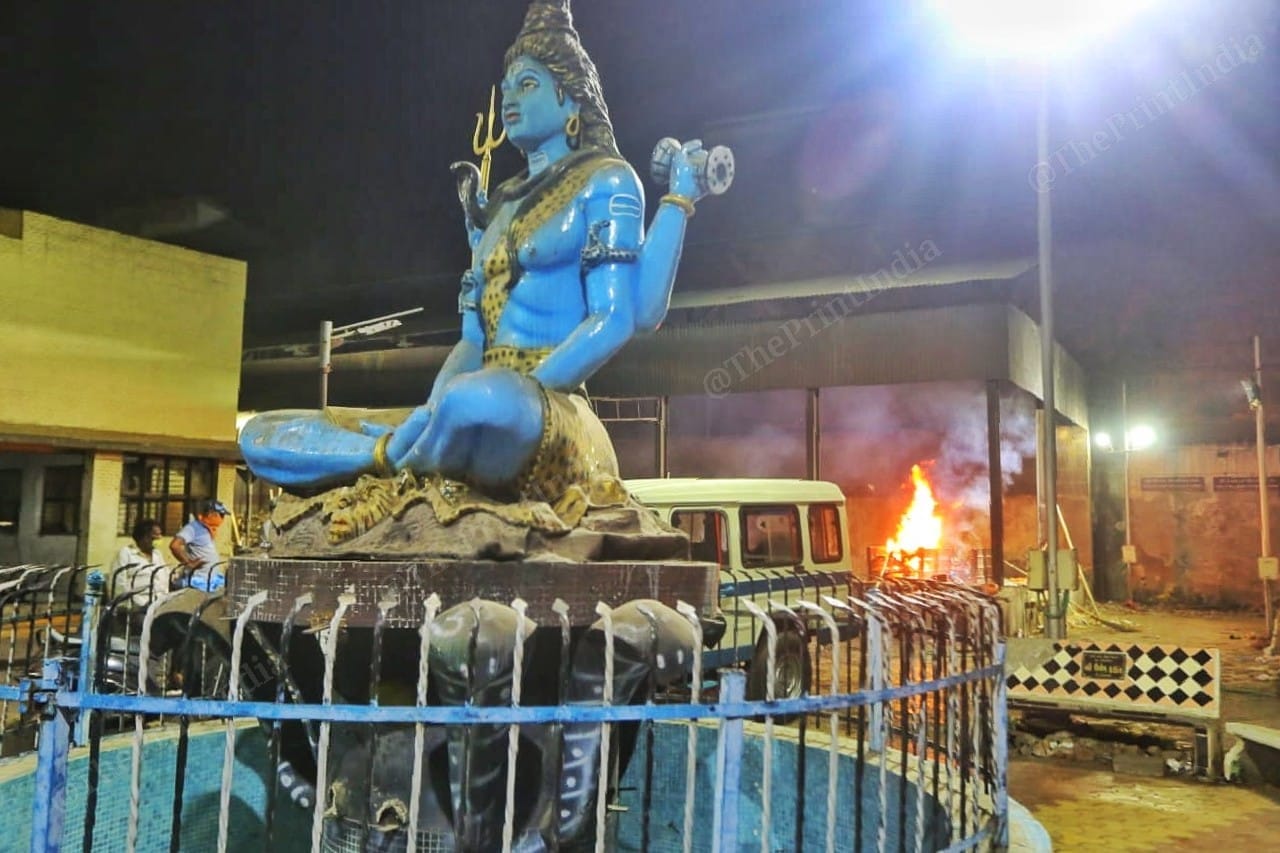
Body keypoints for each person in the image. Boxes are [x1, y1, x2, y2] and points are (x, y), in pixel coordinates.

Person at [238, 0, 723, 515]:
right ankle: (397, 457)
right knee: (265, 433)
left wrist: (678, 201)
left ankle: (392, 466)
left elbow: (622, 316)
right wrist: (431, 408)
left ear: (571, 101)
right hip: (468, 407)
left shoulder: (607, 180)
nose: (510, 99)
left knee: (484, 403)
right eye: (507, 87)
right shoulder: (501, 206)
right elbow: (473, 343)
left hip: (546, 410)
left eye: (529, 85)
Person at [109, 518, 170, 610]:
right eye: (154, 537)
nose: (158, 540)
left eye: (160, 536)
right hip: (136, 606)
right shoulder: (126, 553)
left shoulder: (157, 554)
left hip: (159, 603)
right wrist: (139, 604)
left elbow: (165, 576)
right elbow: (119, 585)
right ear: (144, 537)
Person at [169, 499, 229, 591]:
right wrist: (188, 563)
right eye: (221, 515)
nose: (222, 519)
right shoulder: (193, 528)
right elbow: (175, 545)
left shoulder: (207, 530)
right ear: (211, 514)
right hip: (198, 581)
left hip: (209, 580)